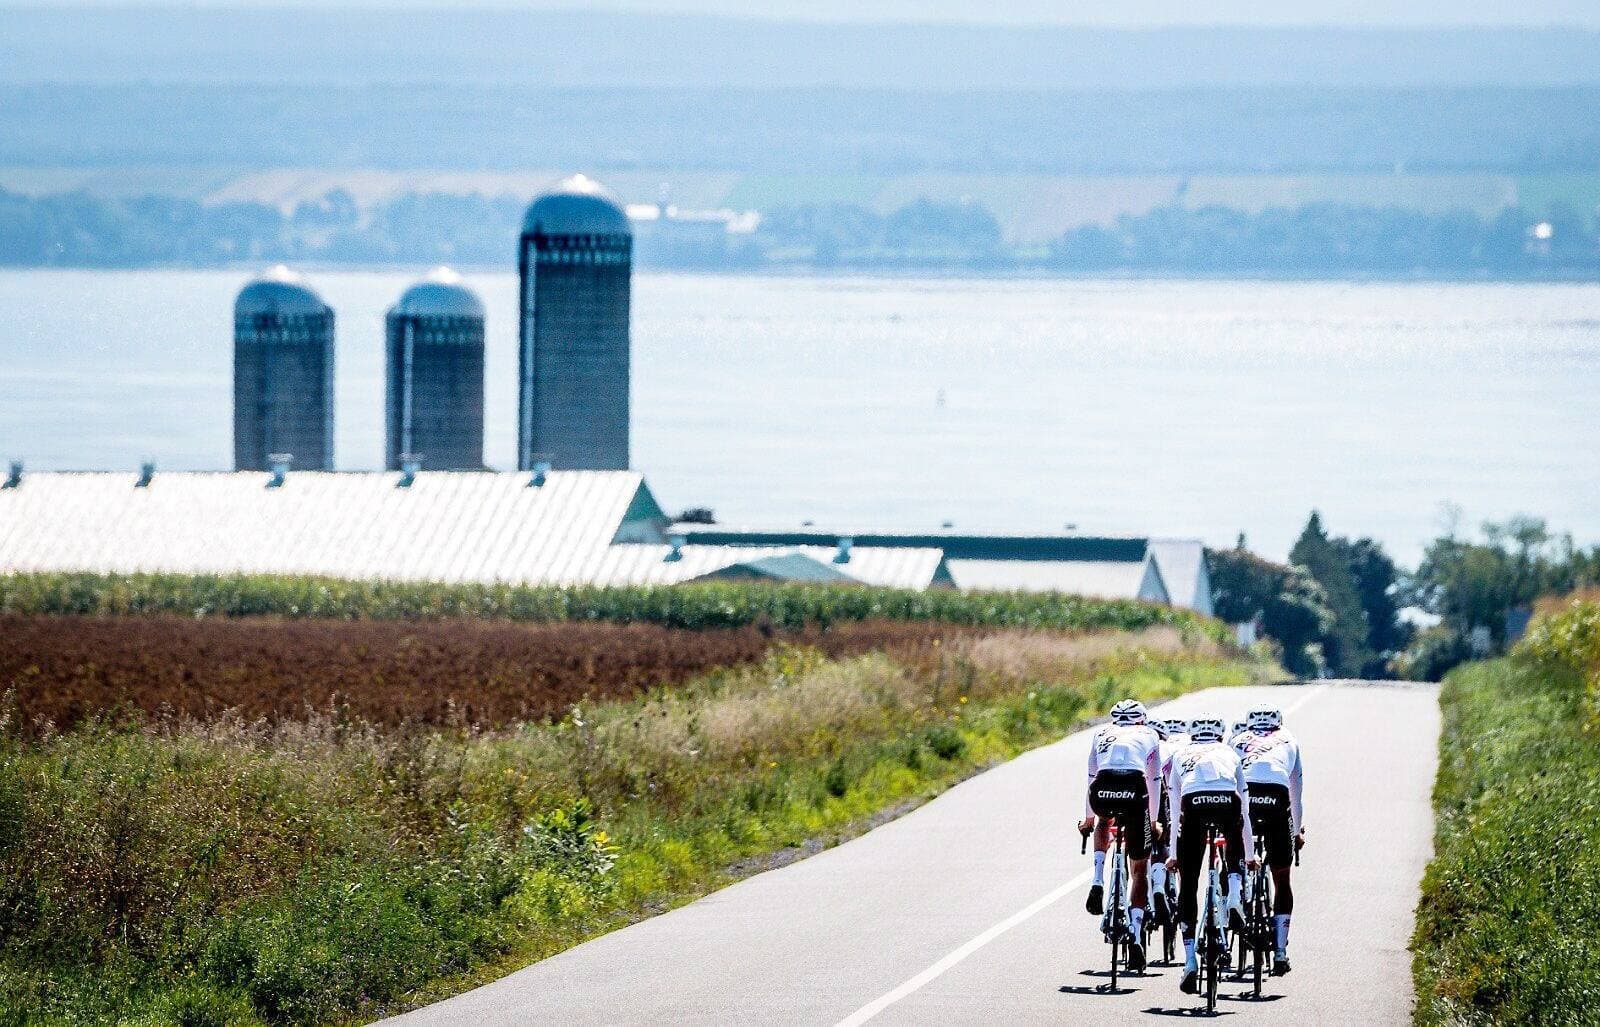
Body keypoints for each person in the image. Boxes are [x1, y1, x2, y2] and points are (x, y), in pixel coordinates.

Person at [1166, 714, 1258, 995]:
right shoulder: (1230, 752)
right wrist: (1250, 854)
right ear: (1220, 735)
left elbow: (1174, 812)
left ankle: (1190, 961)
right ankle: (1233, 894)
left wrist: (1173, 855)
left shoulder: (1181, 754)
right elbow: (1245, 811)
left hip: (1193, 802)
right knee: (1233, 828)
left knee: (1189, 884)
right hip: (1227, 799)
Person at [1079, 698, 1163, 973]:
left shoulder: (1101, 733)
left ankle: (1098, 878)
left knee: (1104, 820)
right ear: (1142, 719)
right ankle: (1136, 934)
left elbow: (1091, 775)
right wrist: (1153, 822)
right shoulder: (1149, 734)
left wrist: (1088, 818)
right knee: (1139, 870)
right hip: (1134, 787)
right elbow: (1154, 780)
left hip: (1103, 786)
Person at [1234, 705, 1305, 975]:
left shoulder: (1238, 739)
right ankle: (1280, 951)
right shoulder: (1289, 739)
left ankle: (1235, 894)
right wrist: (1296, 833)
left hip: (1246, 795)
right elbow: (1296, 792)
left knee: (1236, 851)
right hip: (1277, 796)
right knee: (1282, 878)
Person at [1148, 717, 1189, 928]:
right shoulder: (1176, 747)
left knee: (1138, 849)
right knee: (1163, 840)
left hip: (1130, 789)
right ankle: (1158, 885)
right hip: (1164, 791)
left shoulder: (1144, 742)